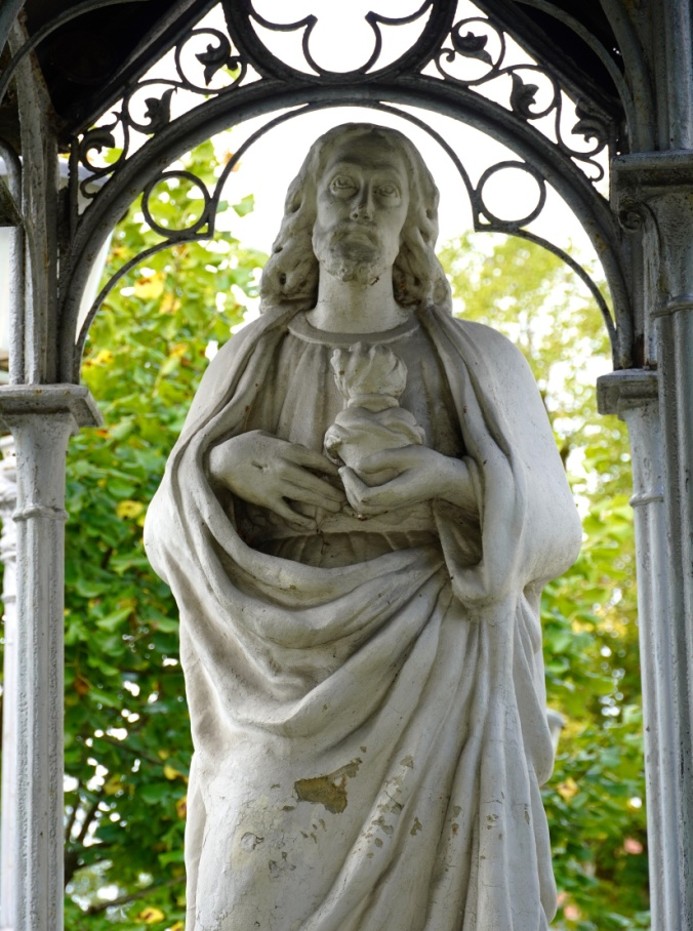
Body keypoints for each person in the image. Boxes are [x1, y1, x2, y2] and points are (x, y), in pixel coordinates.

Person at [144, 122, 582, 930]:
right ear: (307, 209)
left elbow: (555, 530)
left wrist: (453, 482)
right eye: (343, 188)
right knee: (244, 899)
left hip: (435, 662)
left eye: (386, 195)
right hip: (275, 682)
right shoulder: (248, 358)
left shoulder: (479, 358)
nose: (361, 210)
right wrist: (221, 466)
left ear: (412, 220)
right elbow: (164, 531)